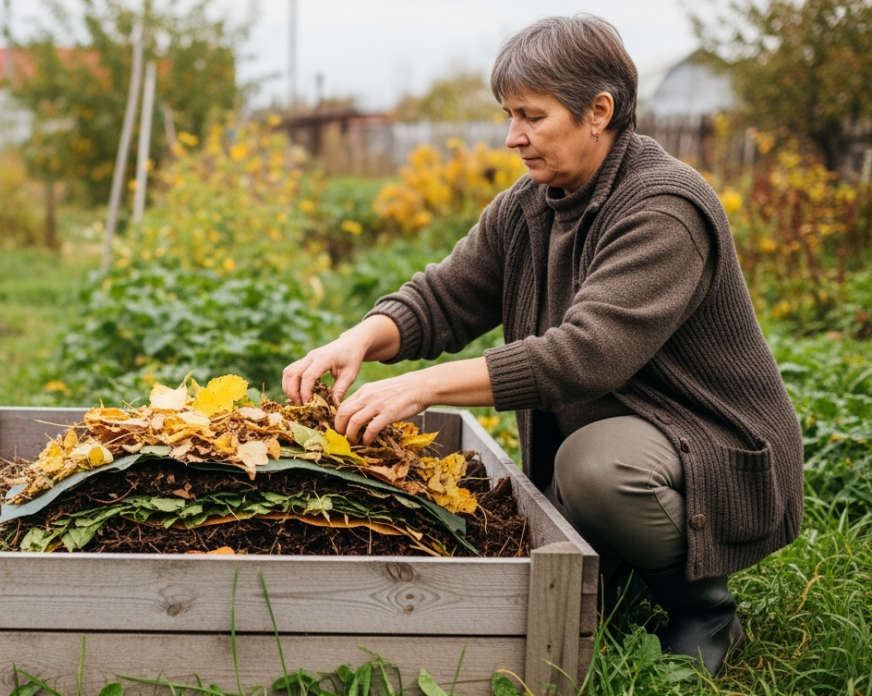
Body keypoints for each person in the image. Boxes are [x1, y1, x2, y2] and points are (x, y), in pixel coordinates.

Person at [282, 14, 802, 676]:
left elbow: (587, 354)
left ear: (599, 112)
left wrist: (423, 385)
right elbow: (447, 295)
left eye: (531, 115)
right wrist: (356, 339)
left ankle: (703, 607)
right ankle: (626, 566)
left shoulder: (663, 207)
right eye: (508, 114)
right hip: (627, 425)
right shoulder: (532, 202)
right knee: (574, 483)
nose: (511, 137)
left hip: (712, 444)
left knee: (595, 472)